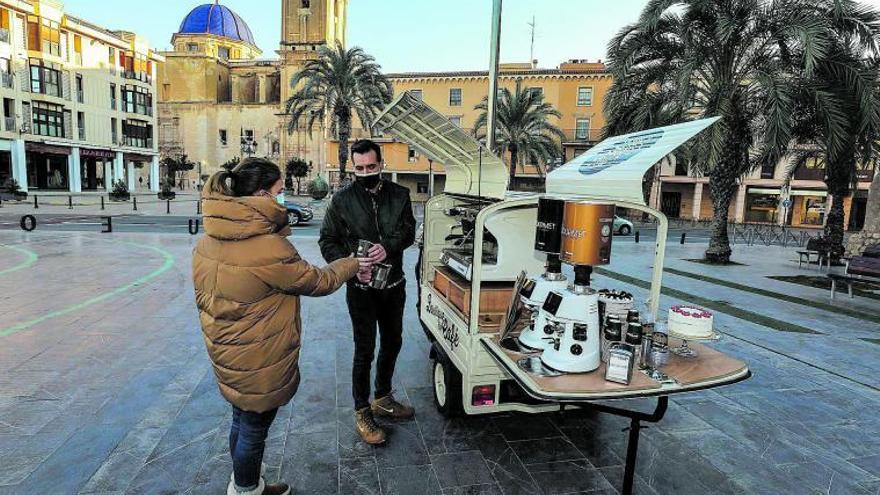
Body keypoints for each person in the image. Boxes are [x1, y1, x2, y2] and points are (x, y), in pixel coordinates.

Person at [193, 158, 363, 495]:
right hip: (259, 356)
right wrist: (353, 263)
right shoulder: (268, 248)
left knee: (241, 419)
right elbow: (319, 281)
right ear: (260, 195)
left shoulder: (208, 240)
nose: (283, 199)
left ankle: (245, 480)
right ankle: (245, 489)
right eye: (280, 192)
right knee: (254, 427)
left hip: (227, 350)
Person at [319, 139, 417, 445]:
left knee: (393, 341)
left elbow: (409, 231)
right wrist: (350, 264)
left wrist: (386, 247)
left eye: (371, 167)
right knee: (364, 350)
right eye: (359, 168)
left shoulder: (400, 195)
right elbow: (328, 240)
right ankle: (362, 410)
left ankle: (383, 397)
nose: (365, 172)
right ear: (353, 167)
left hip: (394, 286)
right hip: (361, 289)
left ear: (381, 164)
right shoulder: (341, 200)